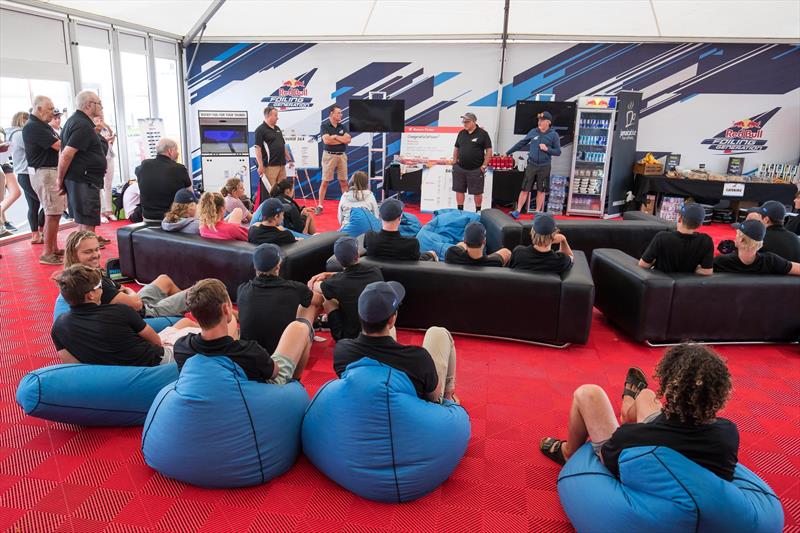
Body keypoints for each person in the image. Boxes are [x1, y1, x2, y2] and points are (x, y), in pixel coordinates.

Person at [539, 343, 739, 483]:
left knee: (589, 393)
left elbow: (610, 457)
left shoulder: (633, 437)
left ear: (670, 388)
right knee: (646, 395)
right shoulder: (728, 433)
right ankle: (628, 407)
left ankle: (567, 452)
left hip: (640, 470)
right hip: (669, 434)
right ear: (720, 395)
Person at [334, 281, 458, 403]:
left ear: (360, 315)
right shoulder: (418, 359)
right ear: (392, 319)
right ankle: (448, 396)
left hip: (367, 400)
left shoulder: (342, 350)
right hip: (411, 411)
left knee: (390, 331)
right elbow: (433, 397)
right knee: (437, 333)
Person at [51, 264, 198, 366]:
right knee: (192, 328)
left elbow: (72, 363)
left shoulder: (58, 326)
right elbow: (156, 342)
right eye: (100, 287)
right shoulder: (120, 311)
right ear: (90, 295)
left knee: (184, 324)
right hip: (155, 361)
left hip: (117, 370)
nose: (102, 290)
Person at [174, 278, 314, 385]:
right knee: (299, 328)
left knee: (233, 323)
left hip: (215, 386)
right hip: (259, 394)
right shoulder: (250, 353)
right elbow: (274, 372)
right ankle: (296, 385)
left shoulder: (181, 348)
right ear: (225, 309)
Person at [63, 230, 192, 317]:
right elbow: (136, 304)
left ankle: (179, 310)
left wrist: (126, 293)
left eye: (97, 249)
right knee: (199, 291)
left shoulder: (84, 273)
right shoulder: (94, 284)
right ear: (74, 255)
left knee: (164, 279)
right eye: (88, 252)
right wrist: (130, 292)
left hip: (131, 303)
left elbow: (121, 290)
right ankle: (181, 313)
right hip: (142, 313)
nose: (95, 255)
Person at [237, 243, 322, 354]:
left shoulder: (242, 289)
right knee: (310, 303)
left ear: (255, 266)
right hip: (283, 352)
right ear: (278, 266)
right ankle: (306, 339)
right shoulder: (295, 288)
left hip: (250, 354)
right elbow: (319, 300)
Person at [308, 236, 384, 341]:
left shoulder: (336, 283)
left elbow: (315, 286)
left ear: (338, 261)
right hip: (377, 330)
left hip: (347, 337)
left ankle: (310, 326)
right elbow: (351, 277)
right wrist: (328, 274)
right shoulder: (374, 271)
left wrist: (316, 279)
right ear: (357, 255)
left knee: (326, 296)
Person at [22, 95, 65, 265]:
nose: (52, 113)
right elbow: (58, 145)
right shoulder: (33, 127)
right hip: (45, 173)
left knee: (55, 212)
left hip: (49, 172)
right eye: (49, 109)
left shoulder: (41, 126)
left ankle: (53, 248)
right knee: (52, 213)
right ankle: (47, 252)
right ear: (38, 109)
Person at [58, 90, 108, 234]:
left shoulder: (77, 121)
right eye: (99, 103)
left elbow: (63, 152)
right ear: (88, 105)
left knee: (83, 224)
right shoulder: (82, 125)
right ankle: (85, 254)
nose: (101, 107)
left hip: (81, 179)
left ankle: (80, 254)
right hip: (83, 180)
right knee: (87, 225)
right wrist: (59, 180)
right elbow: (66, 154)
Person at [506, 111, 562, 218]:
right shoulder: (533, 131)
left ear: (548, 122)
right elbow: (522, 143)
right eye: (538, 120)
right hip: (531, 165)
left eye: (542, 120)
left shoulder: (554, 135)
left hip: (545, 166)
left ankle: (537, 212)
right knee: (524, 188)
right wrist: (508, 152)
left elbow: (558, 152)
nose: (539, 122)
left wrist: (547, 149)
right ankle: (517, 211)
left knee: (541, 190)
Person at [638, 203, 713, 275]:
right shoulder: (706, 241)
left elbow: (643, 264)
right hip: (686, 286)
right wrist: (694, 269)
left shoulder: (662, 237)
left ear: (679, 218)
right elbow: (707, 271)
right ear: (700, 224)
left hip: (662, 283)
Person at [713, 219, 800, 276]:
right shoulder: (771, 261)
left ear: (741, 239)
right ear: (760, 243)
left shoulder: (720, 261)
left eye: (737, 234)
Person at [136, 138, 191, 222]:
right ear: (170, 151)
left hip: (148, 217)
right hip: (172, 219)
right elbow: (189, 193)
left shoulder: (144, 165)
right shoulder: (179, 168)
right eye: (177, 150)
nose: (178, 153)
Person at [364, 198, 436, 261]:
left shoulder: (370, 238)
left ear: (380, 216)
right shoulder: (412, 244)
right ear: (400, 217)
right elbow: (418, 260)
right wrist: (430, 254)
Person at [9, 112, 41, 242]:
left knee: (34, 205)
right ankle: (40, 230)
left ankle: (36, 234)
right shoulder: (19, 134)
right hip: (26, 174)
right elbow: (33, 147)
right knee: (44, 202)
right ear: (22, 120)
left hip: (27, 173)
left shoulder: (17, 134)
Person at [452, 112, 492, 212]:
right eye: (463, 122)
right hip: (460, 168)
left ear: (474, 121)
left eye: (467, 121)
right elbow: (456, 148)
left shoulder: (483, 134)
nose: (464, 123)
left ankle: (478, 211)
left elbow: (489, 150)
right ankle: (459, 211)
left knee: (477, 192)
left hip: (476, 169)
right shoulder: (461, 133)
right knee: (459, 190)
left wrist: (484, 165)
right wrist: (454, 162)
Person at [254, 106, 293, 203]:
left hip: (281, 165)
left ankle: (282, 209)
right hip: (270, 166)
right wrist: (260, 165)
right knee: (271, 191)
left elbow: (283, 145)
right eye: (275, 115)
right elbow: (257, 148)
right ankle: (271, 213)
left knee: (283, 189)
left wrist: (289, 159)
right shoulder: (260, 130)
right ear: (268, 116)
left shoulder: (277, 128)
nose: (277, 117)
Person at [317, 105, 351, 214]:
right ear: (332, 113)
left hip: (342, 156)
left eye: (341, 113)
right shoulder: (324, 126)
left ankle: (346, 206)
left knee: (344, 181)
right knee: (325, 182)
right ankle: (320, 206)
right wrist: (341, 139)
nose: (341, 114)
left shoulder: (342, 126)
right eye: (339, 113)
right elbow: (326, 141)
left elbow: (348, 139)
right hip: (329, 156)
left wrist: (335, 136)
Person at [445, 221, 511, 267]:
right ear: (484, 242)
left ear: (465, 241)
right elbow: (507, 252)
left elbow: (460, 245)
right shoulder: (495, 263)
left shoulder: (451, 254)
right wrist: (488, 257)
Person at [93, 111, 117, 223]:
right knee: (99, 186)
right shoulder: (93, 128)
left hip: (109, 156)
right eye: (98, 115)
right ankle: (101, 212)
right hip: (99, 159)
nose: (101, 117)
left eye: (102, 115)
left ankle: (109, 210)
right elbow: (96, 142)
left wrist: (111, 138)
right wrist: (106, 140)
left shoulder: (105, 127)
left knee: (108, 185)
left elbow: (112, 139)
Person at [0, 130, 21, 235]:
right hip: (3, 163)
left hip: (4, 162)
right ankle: (2, 224)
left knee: (16, 192)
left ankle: (2, 223)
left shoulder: (2, 130)